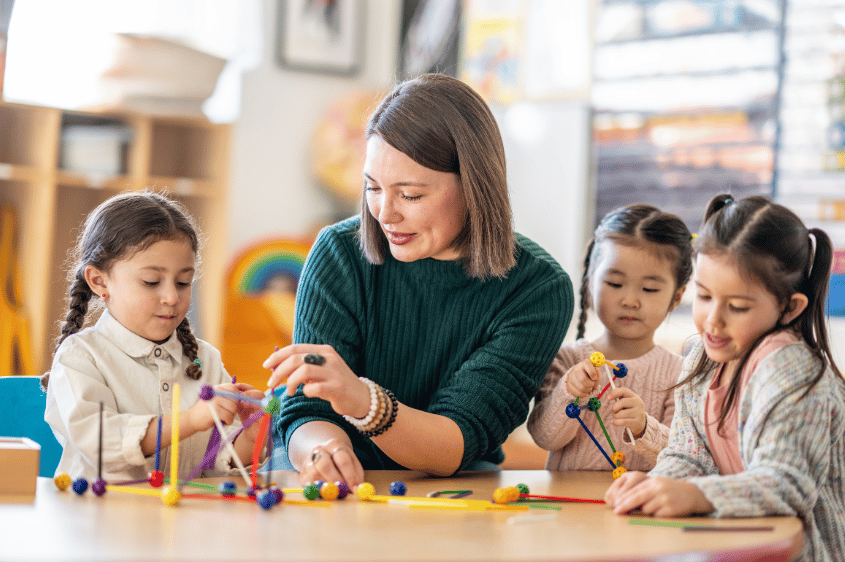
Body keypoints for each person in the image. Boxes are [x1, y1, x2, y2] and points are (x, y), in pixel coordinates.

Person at [263, 73, 573, 486]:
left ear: (475, 187)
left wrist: (361, 400)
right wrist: (325, 451)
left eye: (410, 195)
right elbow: (307, 411)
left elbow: (456, 442)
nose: (384, 213)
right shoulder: (339, 252)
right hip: (331, 475)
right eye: (373, 187)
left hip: (451, 478)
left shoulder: (538, 289)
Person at [605, 194, 845, 562]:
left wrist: (698, 496)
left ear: (790, 308)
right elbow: (689, 454)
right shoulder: (702, 356)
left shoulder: (792, 370)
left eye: (737, 307)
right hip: (732, 544)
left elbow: (788, 484)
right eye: (704, 296)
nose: (713, 321)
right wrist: (658, 485)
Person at [44, 191, 265, 482]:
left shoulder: (206, 360)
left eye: (184, 282)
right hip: (96, 521)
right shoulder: (80, 357)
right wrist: (189, 420)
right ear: (99, 281)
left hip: (184, 523)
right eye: (151, 282)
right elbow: (102, 445)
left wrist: (250, 436)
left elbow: (215, 462)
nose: (172, 297)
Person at [527, 204, 693, 471]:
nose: (630, 301)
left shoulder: (679, 373)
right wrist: (569, 391)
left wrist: (643, 427)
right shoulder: (567, 359)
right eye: (615, 284)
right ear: (591, 283)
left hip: (639, 506)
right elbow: (545, 437)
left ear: (676, 297)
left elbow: (684, 457)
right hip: (570, 506)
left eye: (649, 289)